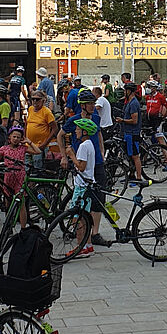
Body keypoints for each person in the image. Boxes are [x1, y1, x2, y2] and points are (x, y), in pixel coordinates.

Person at [60, 89, 110, 247]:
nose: (93, 106)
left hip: (97, 163)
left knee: (99, 197)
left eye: (93, 103)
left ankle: (94, 232)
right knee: (82, 198)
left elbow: (99, 134)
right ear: (82, 105)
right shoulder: (74, 120)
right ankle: (83, 232)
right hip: (82, 163)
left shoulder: (95, 117)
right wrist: (63, 155)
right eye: (89, 104)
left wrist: (101, 151)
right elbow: (60, 135)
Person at [0, 127, 37, 231]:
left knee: (21, 202)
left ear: (21, 139)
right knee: (7, 201)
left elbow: (37, 151)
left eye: (18, 137)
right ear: (9, 137)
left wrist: (29, 142)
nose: (15, 139)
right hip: (8, 175)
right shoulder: (3, 149)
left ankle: (23, 228)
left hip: (20, 176)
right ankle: (8, 225)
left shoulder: (23, 148)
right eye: (14, 136)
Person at [24, 91, 58, 167]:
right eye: (33, 99)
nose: (35, 101)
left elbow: (55, 129)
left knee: (37, 169)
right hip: (28, 145)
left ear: (43, 101)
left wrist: (45, 143)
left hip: (39, 146)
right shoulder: (30, 109)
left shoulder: (47, 112)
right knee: (26, 168)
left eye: (37, 99)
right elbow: (27, 123)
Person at [122, 80, 145, 182]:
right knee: (130, 156)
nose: (124, 92)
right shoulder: (130, 102)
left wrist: (122, 120)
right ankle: (131, 175)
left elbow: (134, 120)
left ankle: (139, 178)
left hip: (133, 133)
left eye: (125, 90)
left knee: (135, 156)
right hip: (128, 133)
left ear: (129, 91)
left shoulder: (134, 103)